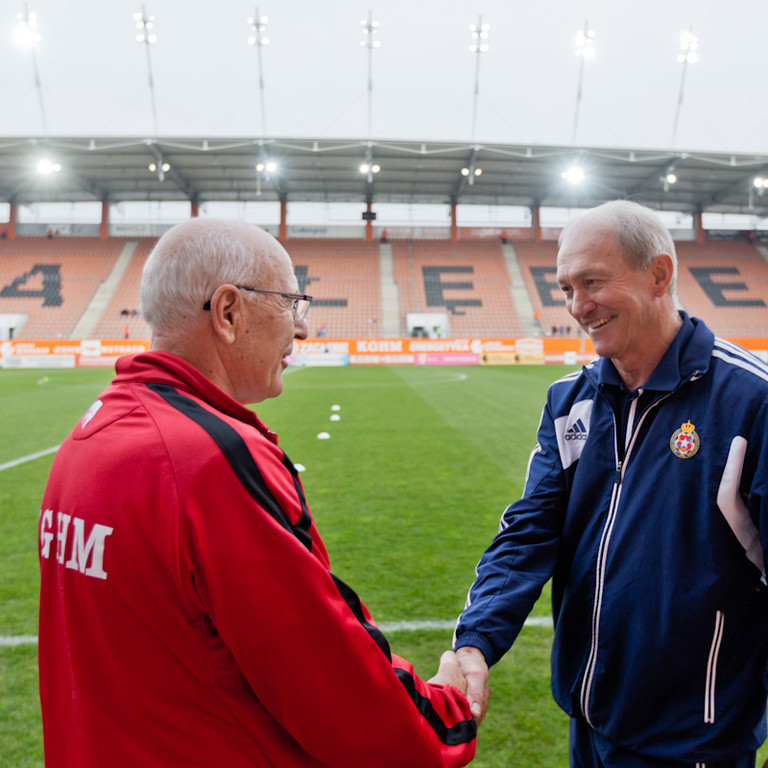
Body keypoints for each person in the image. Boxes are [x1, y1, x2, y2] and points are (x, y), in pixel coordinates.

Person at [38, 218, 477, 768]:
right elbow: (332, 683)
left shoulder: (86, 437)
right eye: (291, 303)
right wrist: (448, 707)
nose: (303, 329)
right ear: (228, 313)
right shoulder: (210, 459)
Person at [454, 200, 768, 767]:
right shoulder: (570, 401)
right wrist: (476, 639)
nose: (577, 306)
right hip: (589, 725)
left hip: (695, 742)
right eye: (566, 287)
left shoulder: (751, 402)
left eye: (592, 282)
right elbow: (529, 531)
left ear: (659, 274)